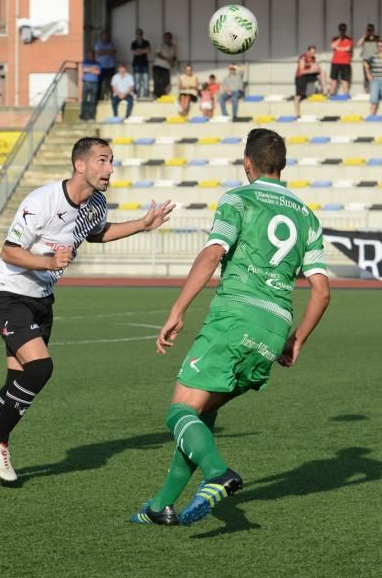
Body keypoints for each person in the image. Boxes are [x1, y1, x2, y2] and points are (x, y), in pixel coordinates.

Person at [130, 128, 331, 526]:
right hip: (275, 329)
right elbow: (322, 292)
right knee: (200, 415)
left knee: (179, 412)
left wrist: (178, 308)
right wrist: (297, 340)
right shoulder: (307, 215)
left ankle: (218, 473)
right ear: (284, 165)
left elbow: (213, 253)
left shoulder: (239, 199)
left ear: (247, 163)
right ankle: (160, 506)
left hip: (235, 316)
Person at [0, 137, 175, 486]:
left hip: (42, 300)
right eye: (102, 161)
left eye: (112, 161)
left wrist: (142, 225)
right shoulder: (42, 200)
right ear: (80, 165)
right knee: (40, 368)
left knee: (16, 386)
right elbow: (9, 252)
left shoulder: (97, 203)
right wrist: (48, 261)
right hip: (8, 294)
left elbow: (96, 233)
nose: (110, 169)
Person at [294, 45, 324, 117]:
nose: (313, 54)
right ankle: (297, 114)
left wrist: (314, 69)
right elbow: (301, 71)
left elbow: (318, 69)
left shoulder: (313, 58)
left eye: (314, 53)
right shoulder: (303, 58)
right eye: (311, 53)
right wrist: (311, 70)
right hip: (301, 77)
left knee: (323, 73)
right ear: (308, 51)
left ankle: (325, 91)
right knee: (298, 96)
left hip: (309, 76)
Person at [328, 23, 353, 96]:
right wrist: (340, 39)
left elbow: (348, 49)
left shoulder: (349, 39)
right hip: (335, 61)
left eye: (344, 30)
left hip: (345, 62)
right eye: (341, 30)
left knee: (344, 79)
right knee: (333, 78)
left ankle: (346, 94)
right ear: (339, 30)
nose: (343, 31)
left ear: (346, 30)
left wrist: (338, 48)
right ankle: (331, 94)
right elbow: (333, 46)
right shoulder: (335, 38)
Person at [357, 24, 381, 92]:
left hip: (375, 59)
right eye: (368, 30)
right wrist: (364, 36)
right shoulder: (365, 38)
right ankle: (366, 91)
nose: (370, 32)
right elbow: (358, 44)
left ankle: (375, 90)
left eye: (371, 30)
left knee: (376, 75)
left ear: (373, 30)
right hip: (366, 59)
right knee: (366, 76)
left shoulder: (377, 38)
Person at [94, 31, 117, 100]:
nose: (105, 37)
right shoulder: (98, 44)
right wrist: (108, 51)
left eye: (106, 36)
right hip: (101, 67)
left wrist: (103, 51)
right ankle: (98, 98)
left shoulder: (111, 44)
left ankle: (112, 97)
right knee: (99, 83)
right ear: (101, 37)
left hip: (110, 67)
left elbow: (114, 52)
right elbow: (97, 53)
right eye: (104, 36)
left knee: (111, 83)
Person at [153, 32, 176, 99]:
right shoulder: (160, 45)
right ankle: (157, 95)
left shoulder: (173, 46)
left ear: (171, 38)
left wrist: (173, 62)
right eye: (166, 38)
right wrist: (167, 59)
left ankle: (160, 94)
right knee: (157, 81)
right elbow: (158, 54)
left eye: (169, 38)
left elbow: (174, 56)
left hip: (166, 67)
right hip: (158, 66)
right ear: (164, 38)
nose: (167, 39)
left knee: (166, 81)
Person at [80, 50, 102, 121]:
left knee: (93, 101)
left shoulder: (98, 63)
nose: (91, 56)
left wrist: (90, 69)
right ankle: (83, 116)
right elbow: (84, 70)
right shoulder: (85, 62)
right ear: (88, 55)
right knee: (84, 100)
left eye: (92, 54)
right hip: (86, 83)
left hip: (94, 83)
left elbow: (98, 72)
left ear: (94, 55)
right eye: (89, 54)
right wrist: (93, 69)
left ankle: (91, 116)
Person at [131, 29, 152, 99]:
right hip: (136, 64)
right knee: (137, 80)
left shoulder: (146, 42)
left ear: (142, 35)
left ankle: (146, 95)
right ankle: (137, 95)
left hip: (144, 63)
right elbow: (134, 52)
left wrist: (139, 51)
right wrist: (143, 51)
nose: (139, 35)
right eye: (137, 34)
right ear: (136, 35)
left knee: (146, 80)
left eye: (140, 34)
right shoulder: (133, 43)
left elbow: (148, 51)